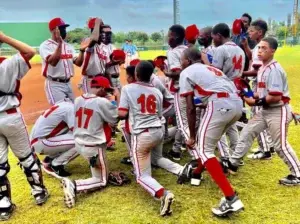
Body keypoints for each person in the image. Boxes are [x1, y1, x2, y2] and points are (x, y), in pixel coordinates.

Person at [224, 37, 300, 186]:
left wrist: (255, 101)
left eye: (264, 48)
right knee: (247, 132)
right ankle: (233, 163)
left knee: (280, 146)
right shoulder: (263, 68)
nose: (259, 51)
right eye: (259, 48)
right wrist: (248, 94)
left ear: (273, 51)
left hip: (278, 111)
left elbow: (275, 96)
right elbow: (260, 92)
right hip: (266, 111)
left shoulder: (274, 70)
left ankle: (297, 174)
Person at [179, 47, 244, 216]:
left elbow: (190, 108)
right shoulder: (212, 69)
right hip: (236, 104)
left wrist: (191, 136)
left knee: (202, 148)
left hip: (220, 105)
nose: (180, 62)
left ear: (187, 60)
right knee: (207, 144)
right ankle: (197, 173)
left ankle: (231, 199)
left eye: (181, 59)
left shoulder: (186, 71)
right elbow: (210, 94)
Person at [118, 61, 181, 216]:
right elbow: (159, 114)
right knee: (155, 158)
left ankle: (163, 194)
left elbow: (122, 114)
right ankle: (179, 170)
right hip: (158, 131)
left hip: (142, 134)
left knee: (141, 176)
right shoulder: (157, 91)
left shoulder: (127, 88)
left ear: (136, 75)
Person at [0, 32, 49, 220]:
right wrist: (4, 38)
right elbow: (30, 52)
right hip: (11, 117)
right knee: (27, 158)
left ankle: (3, 205)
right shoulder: (6, 64)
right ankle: (39, 193)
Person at [62, 76, 119, 208]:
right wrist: (116, 98)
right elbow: (115, 118)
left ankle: (88, 178)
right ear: (103, 89)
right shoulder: (101, 102)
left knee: (98, 173)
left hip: (79, 144)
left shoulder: (78, 100)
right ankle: (74, 185)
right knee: (102, 180)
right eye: (107, 90)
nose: (107, 93)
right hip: (93, 147)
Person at [242, 20, 274, 159]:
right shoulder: (259, 47)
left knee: (258, 116)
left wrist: (240, 74)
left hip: (260, 85)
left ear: (259, 32)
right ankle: (268, 145)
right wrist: (246, 47)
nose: (249, 33)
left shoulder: (260, 48)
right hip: (262, 84)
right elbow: (253, 61)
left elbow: (257, 71)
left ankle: (265, 150)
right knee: (264, 115)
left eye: (251, 31)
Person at [211, 23, 246, 153]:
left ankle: (226, 156)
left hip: (224, 91)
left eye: (213, 37)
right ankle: (236, 154)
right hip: (236, 90)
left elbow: (215, 73)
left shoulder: (221, 49)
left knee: (218, 124)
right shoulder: (240, 50)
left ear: (219, 36)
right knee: (231, 125)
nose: (213, 40)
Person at [39, 17, 86, 105]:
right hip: (54, 84)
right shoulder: (45, 46)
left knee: (73, 109)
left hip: (68, 83)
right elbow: (53, 62)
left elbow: (78, 63)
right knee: (61, 110)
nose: (64, 31)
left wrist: (82, 51)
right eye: (61, 28)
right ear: (54, 30)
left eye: (64, 28)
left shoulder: (68, 46)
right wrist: (60, 43)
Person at [30, 98, 78, 178]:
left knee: (69, 135)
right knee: (81, 142)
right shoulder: (71, 109)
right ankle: (56, 165)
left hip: (38, 141)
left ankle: (49, 160)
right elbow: (76, 132)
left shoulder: (63, 105)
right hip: (42, 142)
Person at [164, 24, 188, 160]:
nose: (168, 38)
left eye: (170, 35)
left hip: (178, 89)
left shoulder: (174, 52)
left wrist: (166, 73)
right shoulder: (188, 50)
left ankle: (176, 150)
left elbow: (177, 73)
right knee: (185, 118)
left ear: (176, 36)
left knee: (180, 120)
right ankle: (183, 143)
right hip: (190, 89)